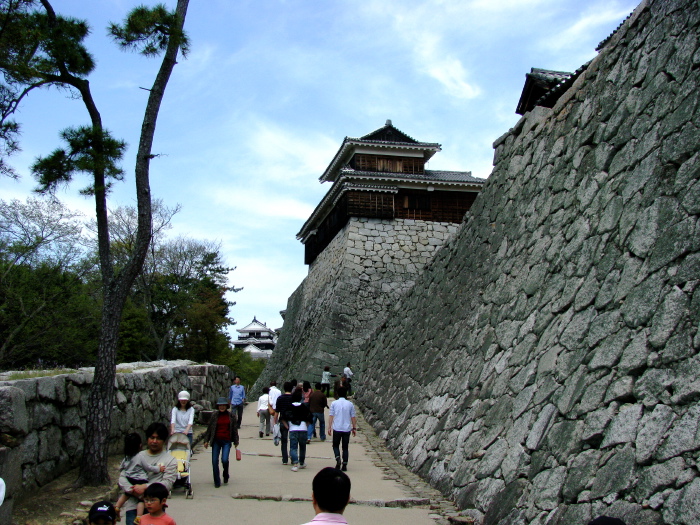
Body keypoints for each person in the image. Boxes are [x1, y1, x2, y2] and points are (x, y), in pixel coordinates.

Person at [118, 423, 177, 525]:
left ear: (164, 441)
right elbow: (123, 477)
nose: (154, 441)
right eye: (152, 437)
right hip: (133, 508)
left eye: (158, 438)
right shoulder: (136, 455)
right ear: (147, 439)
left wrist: (145, 487)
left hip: (156, 510)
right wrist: (133, 490)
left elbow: (167, 484)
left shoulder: (170, 460)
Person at [114, 433, 165, 523]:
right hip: (140, 480)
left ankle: (117, 507)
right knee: (141, 500)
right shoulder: (140, 457)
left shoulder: (126, 458)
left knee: (126, 494)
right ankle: (139, 517)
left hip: (129, 478)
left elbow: (121, 468)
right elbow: (148, 467)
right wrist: (158, 469)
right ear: (140, 445)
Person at [202, 397, 240, 488]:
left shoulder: (232, 416)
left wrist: (236, 441)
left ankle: (225, 474)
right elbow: (210, 428)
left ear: (226, 406)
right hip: (216, 441)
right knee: (214, 461)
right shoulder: (214, 415)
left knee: (224, 460)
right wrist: (206, 440)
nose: (222, 407)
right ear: (218, 406)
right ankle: (217, 481)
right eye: (220, 405)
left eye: (223, 405)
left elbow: (234, 430)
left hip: (226, 441)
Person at [328, 387, 356, 471]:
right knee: (345, 447)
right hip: (346, 428)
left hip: (337, 427)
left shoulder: (334, 403)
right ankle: (345, 464)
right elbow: (353, 417)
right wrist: (354, 428)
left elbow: (331, 416)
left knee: (335, 445)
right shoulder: (350, 404)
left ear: (337, 394)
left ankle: (338, 459)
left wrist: (329, 427)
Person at [287, 389, 313, 472]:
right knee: (302, 447)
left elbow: (283, 417)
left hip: (293, 429)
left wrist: (287, 426)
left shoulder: (289, 407)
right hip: (303, 429)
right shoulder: (304, 407)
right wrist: (306, 425)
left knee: (293, 447)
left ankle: (295, 463)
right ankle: (302, 462)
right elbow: (310, 417)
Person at [273, 382, 294, 465]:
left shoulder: (280, 398)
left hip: (282, 420)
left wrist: (275, 422)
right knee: (293, 440)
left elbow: (277, 412)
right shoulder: (294, 398)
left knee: (284, 441)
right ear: (291, 388)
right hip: (293, 421)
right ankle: (293, 457)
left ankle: (285, 459)